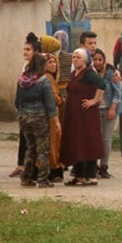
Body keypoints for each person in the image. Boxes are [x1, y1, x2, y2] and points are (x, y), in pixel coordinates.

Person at [61, 48, 105, 186]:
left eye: (78, 57)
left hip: (86, 115)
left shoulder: (88, 73)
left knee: (88, 141)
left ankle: (91, 175)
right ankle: (79, 175)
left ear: (85, 59)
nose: (75, 59)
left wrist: (94, 100)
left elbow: (102, 84)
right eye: (73, 57)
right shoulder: (74, 73)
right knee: (77, 141)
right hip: (74, 114)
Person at [15, 53, 60, 188]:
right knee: (43, 148)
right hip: (39, 116)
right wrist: (56, 120)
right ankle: (42, 179)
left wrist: (24, 112)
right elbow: (50, 103)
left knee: (30, 147)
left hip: (24, 117)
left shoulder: (22, 80)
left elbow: (17, 102)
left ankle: (26, 177)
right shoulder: (43, 81)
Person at [9, 32, 42, 178]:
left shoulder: (38, 69)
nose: (25, 52)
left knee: (34, 141)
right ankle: (21, 165)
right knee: (24, 138)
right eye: (24, 49)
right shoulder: (25, 66)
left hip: (34, 110)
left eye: (28, 49)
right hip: (23, 109)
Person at [93, 49, 122, 179]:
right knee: (94, 138)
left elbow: (117, 92)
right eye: (95, 59)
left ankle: (104, 166)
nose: (97, 62)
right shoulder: (89, 73)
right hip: (94, 110)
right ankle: (93, 165)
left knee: (106, 139)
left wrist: (112, 108)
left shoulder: (111, 72)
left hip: (110, 109)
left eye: (100, 59)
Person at [43, 53, 65, 182]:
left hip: (50, 113)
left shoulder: (50, 77)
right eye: (49, 62)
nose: (53, 64)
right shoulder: (47, 78)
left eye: (54, 62)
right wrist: (61, 100)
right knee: (53, 141)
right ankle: (54, 169)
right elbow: (53, 96)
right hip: (51, 114)